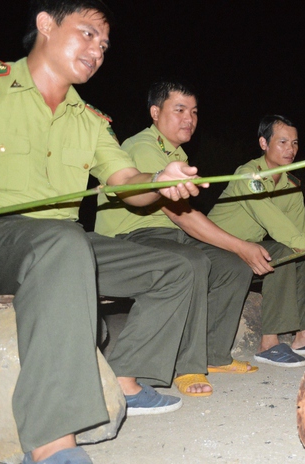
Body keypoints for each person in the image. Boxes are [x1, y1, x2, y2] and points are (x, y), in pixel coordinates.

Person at [0, 2, 210, 462]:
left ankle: (126, 377)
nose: (97, 50)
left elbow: (126, 184)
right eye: (86, 34)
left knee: (178, 268)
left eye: (103, 45)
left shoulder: (90, 120)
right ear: (46, 24)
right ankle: (51, 441)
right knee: (62, 245)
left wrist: (160, 180)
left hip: (62, 244)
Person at [96, 80, 274, 389]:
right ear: (155, 112)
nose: (189, 119)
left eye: (193, 111)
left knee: (233, 266)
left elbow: (186, 219)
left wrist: (238, 252)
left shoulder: (176, 154)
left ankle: (213, 354)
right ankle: (186, 365)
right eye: (179, 110)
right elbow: (184, 217)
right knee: (193, 261)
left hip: (170, 236)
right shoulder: (143, 146)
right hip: (133, 237)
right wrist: (241, 245)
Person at [208, 115, 305, 367]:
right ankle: (268, 342)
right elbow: (280, 229)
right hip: (220, 248)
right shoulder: (247, 176)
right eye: (282, 142)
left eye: (295, 143)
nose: (291, 149)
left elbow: (301, 235)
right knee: (281, 250)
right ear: (263, 143)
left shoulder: (290, 183)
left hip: (251, 250)